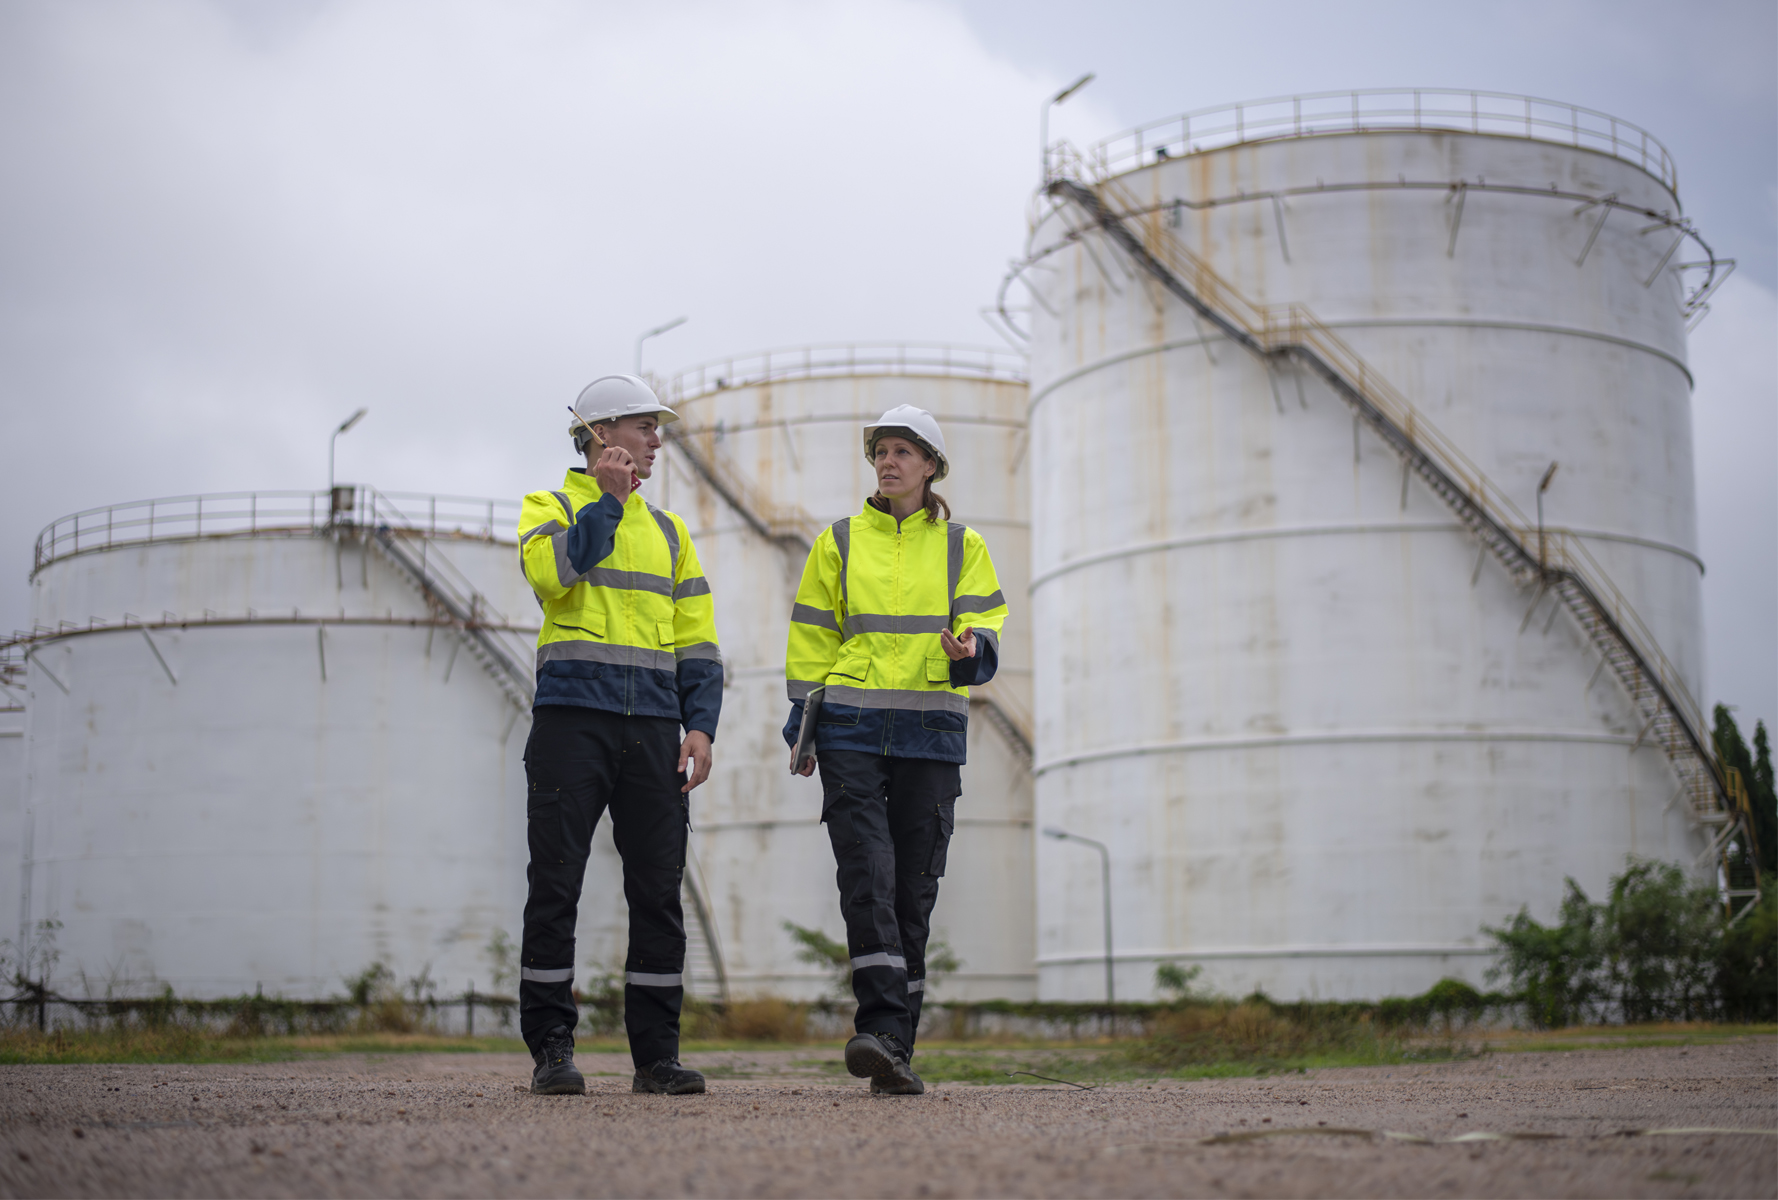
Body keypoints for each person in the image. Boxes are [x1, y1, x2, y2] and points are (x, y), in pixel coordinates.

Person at [783, 404, 1008, 1096]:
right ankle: (879, 1027)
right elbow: (813, 637)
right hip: (851, 725)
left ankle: (893, 1050)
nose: (889, 461)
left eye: (904, 451)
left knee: (913, 892)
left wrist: (970, 650)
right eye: (881, 450)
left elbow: (985, 626)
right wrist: (804, 724)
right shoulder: (839, 541)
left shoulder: (963, 545)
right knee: (868, 877)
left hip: (931, 733)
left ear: (931, 466)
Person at [515, 373, 722, 1097]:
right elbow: (555, 577)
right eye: (645, 427)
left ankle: (656, 1058)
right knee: (557, 885)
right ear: (602, 436)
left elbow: (697, 641)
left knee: (659, 892)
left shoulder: (669, 532)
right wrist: (605, 503)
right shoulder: (550, 507)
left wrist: (700, 724)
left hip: (654, 729)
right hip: (573, 722)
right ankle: (551, 1048)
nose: (658, 440)